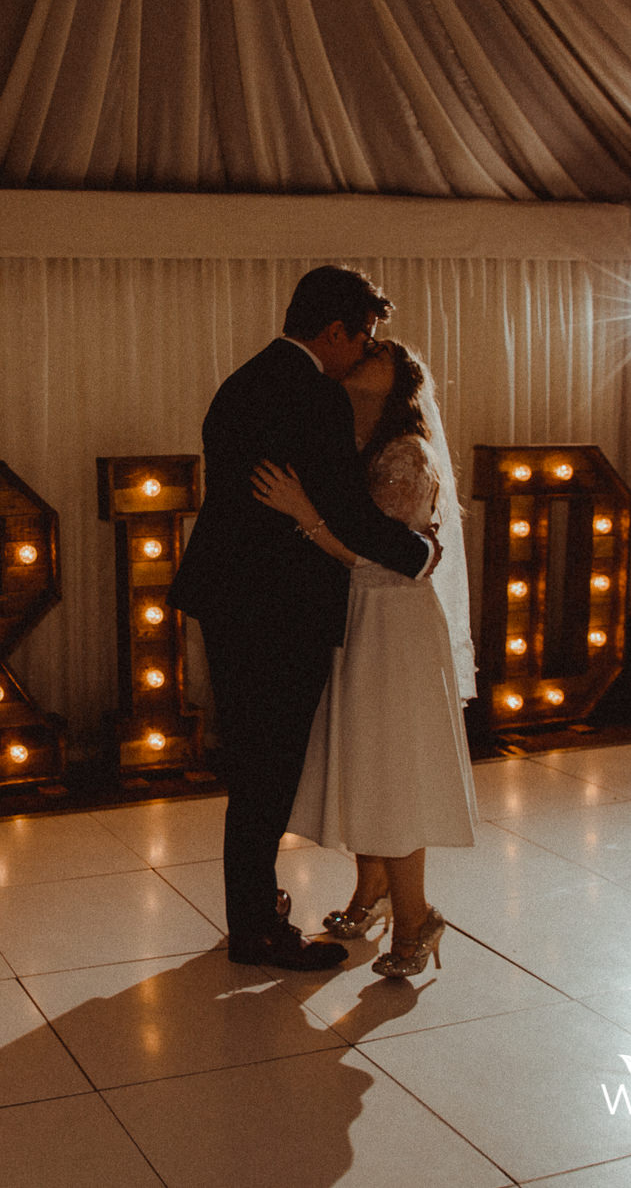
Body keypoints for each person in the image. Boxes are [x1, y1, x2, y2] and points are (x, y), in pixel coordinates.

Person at [168, 266, 436, 971]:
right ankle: (256, 926)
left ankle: (253, 903)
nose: (365, 350)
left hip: (229, 599)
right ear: (334, 331)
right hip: (276, 611)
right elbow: (346, 509)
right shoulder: (312, 394)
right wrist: (418, 552)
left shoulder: (243, 381)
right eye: (364, 336)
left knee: (250, 766)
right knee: (268, 773)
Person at [249, 338, 478, 978]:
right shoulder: (356, 449)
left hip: (394, 622)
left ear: (399, 389)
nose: (355, 389)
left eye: (371, 378)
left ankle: (417, 918)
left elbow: (391, 560)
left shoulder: (405, 454)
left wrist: (304, 514)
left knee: (391, 768)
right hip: (360, 617)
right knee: (364, 759)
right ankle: (369, 892)